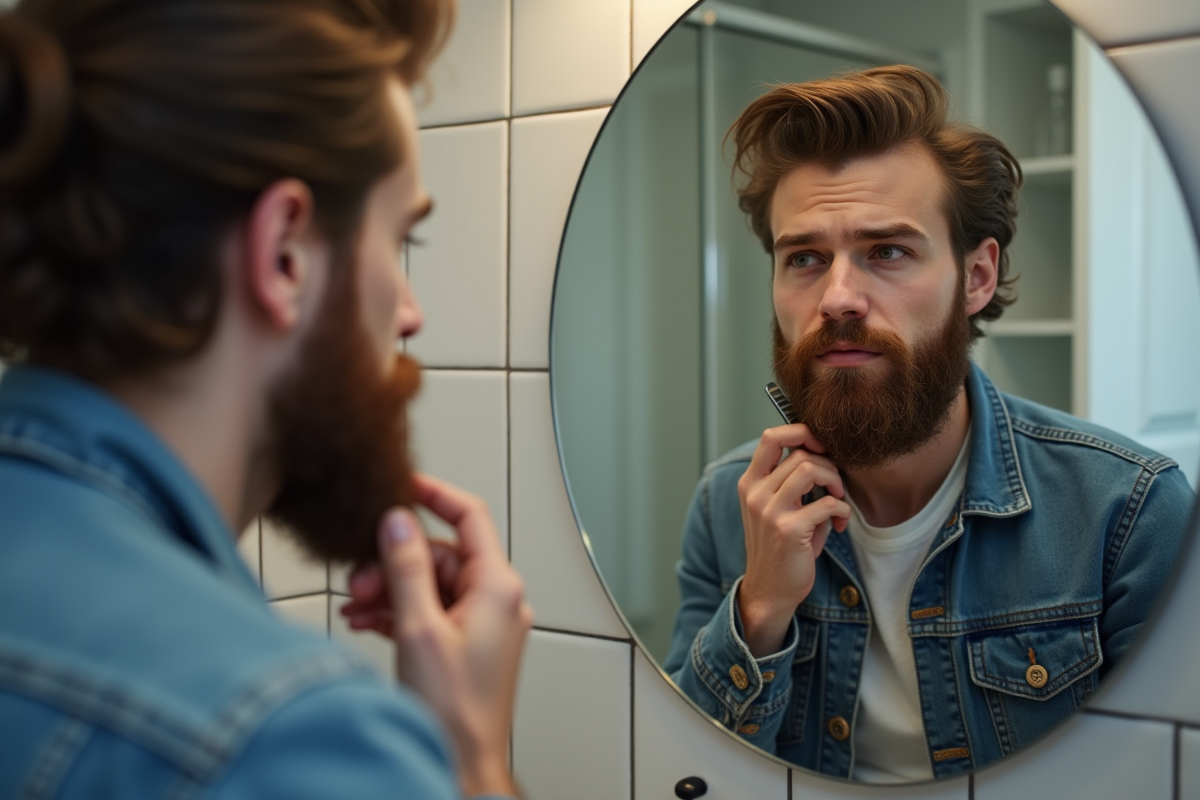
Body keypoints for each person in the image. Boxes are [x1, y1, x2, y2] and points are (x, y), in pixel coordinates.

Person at [0, 1, 532, 798]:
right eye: (400, 240)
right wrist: (470, 760)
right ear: (283, 253)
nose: (412, 315)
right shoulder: (286, 741)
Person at [662, 65, 1194, 783]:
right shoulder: (729, 506)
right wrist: (758, 609)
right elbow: (685, 775)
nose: (839, 297)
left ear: (976, 278)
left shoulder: (1128, 515)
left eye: (887, 251)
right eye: (805, 258)